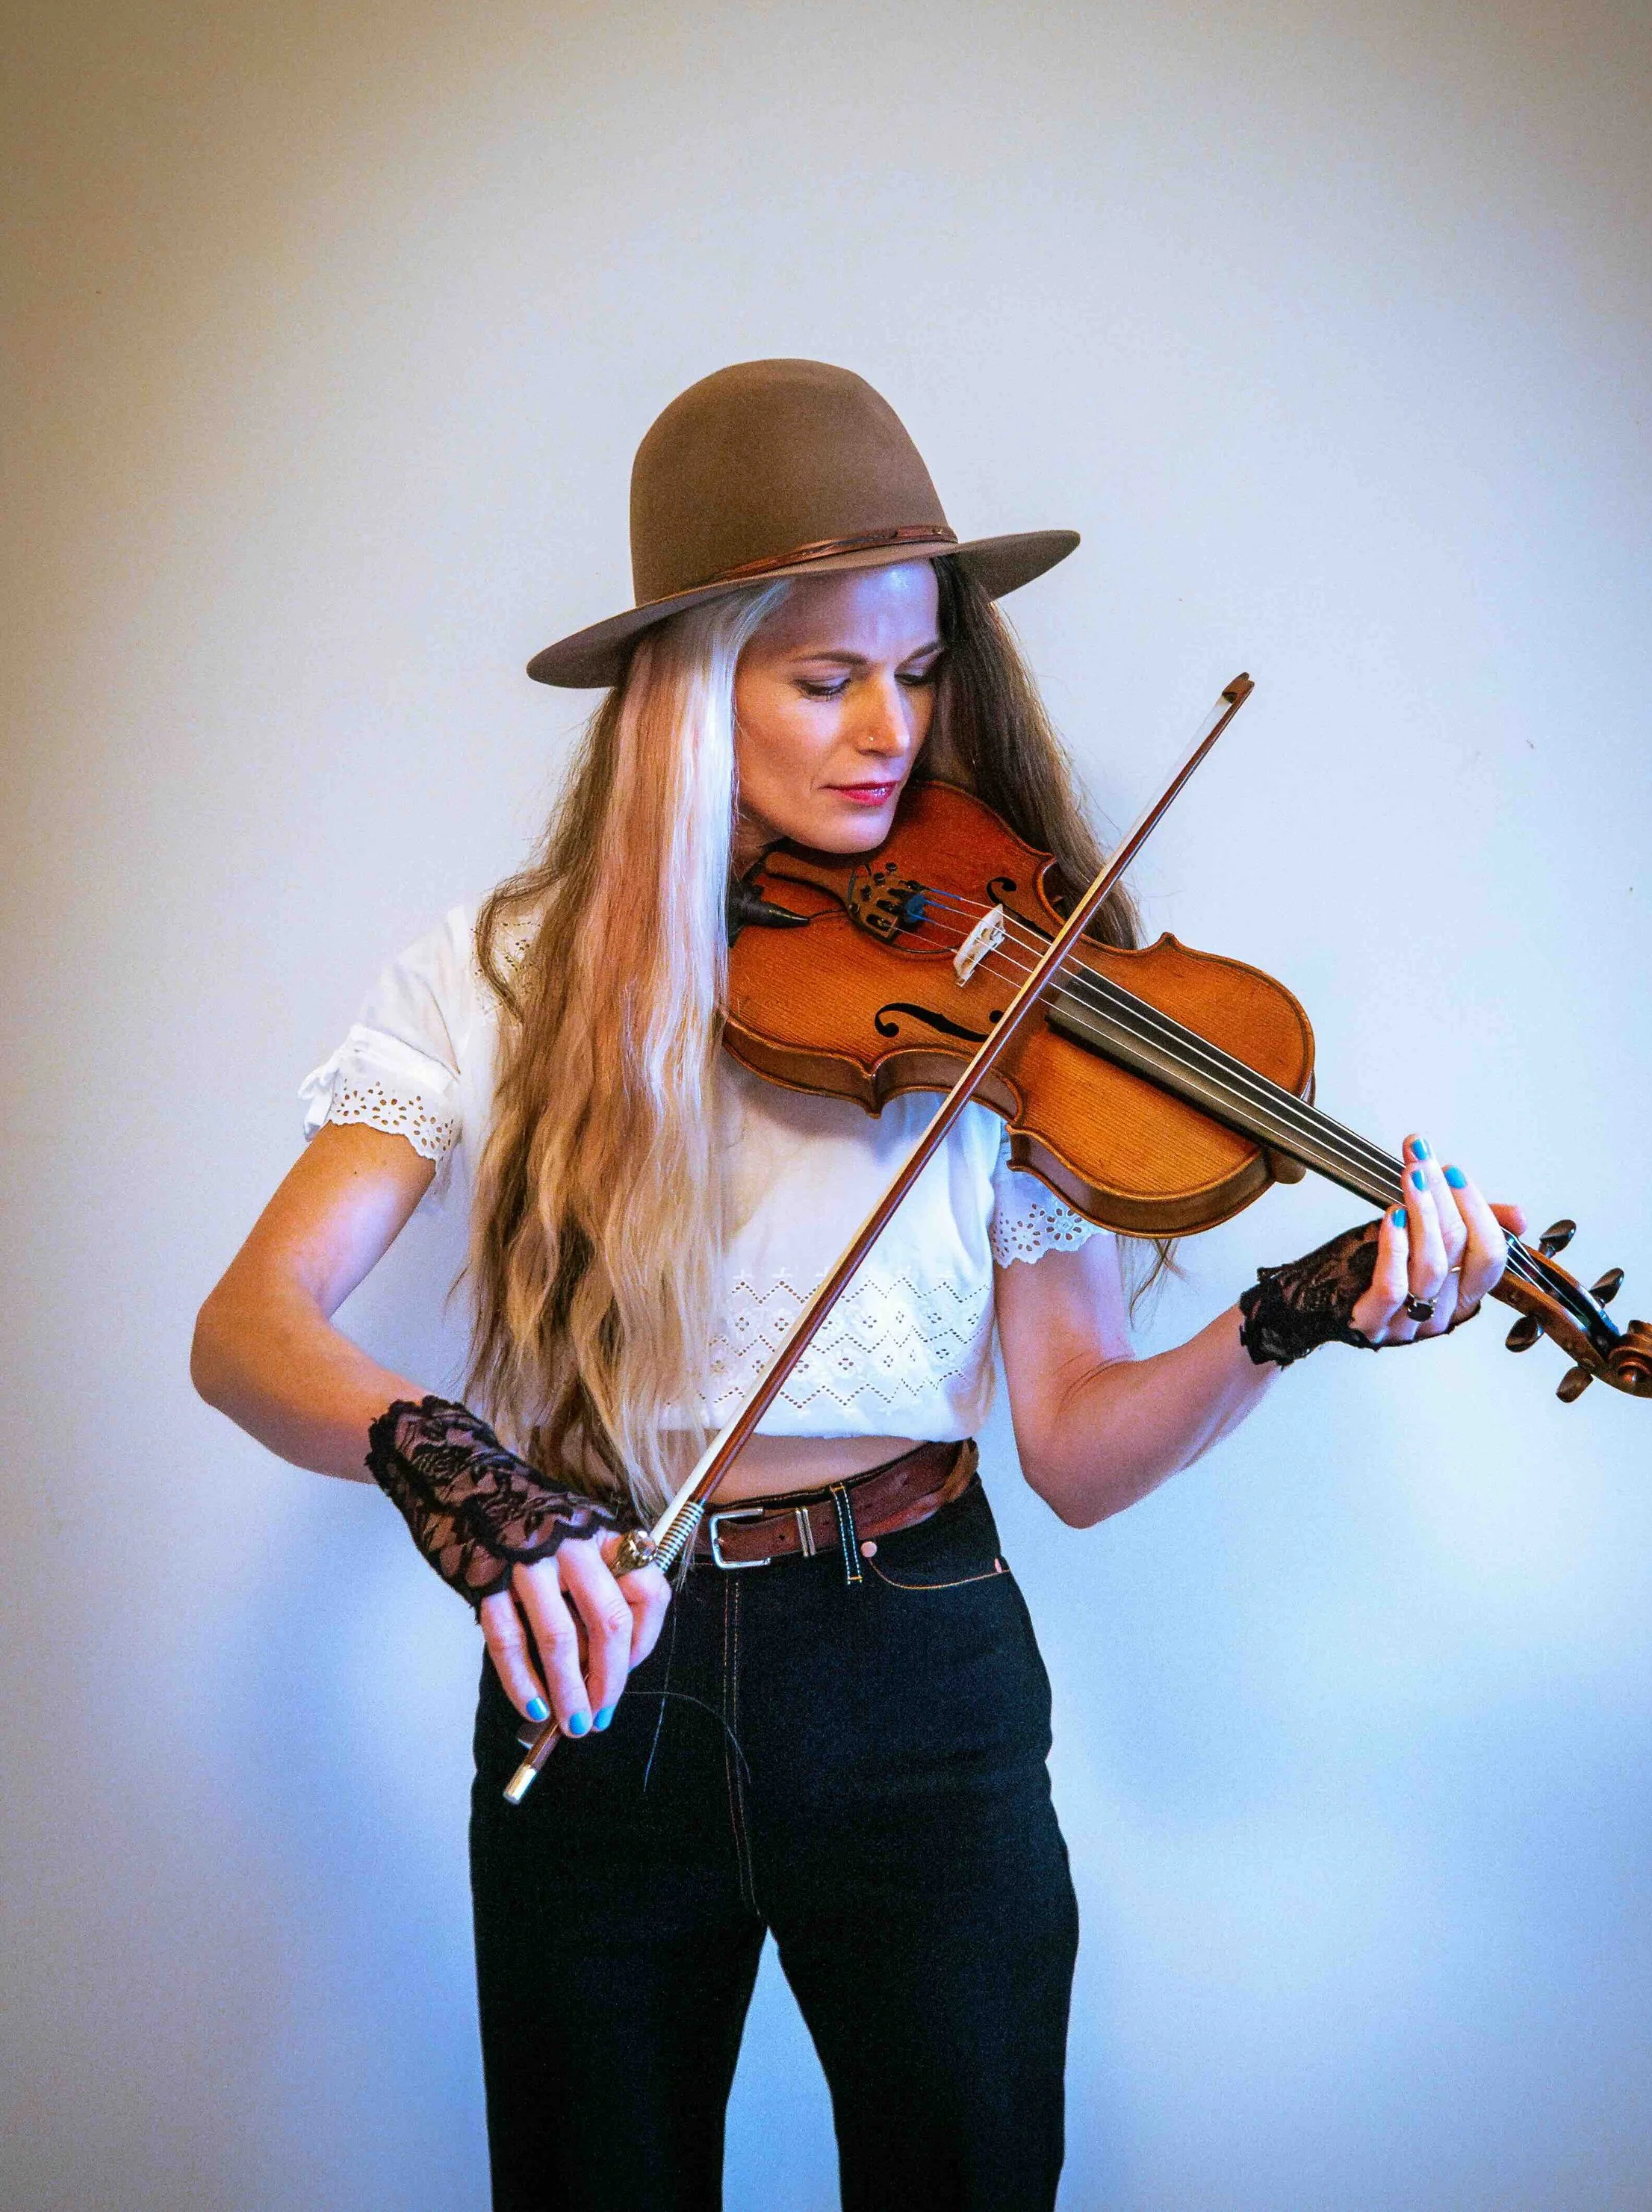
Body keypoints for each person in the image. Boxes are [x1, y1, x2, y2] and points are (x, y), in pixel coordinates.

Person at [191, 359, 1525, 2212]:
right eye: (824, 678)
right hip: (603, 1658)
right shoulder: (496, 975)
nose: (888, 728)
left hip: (918, 1663)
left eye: (916, 672)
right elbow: (246, 1326)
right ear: (688, 685)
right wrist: (450, 1473)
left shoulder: (1009, 984)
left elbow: (1071, 1441)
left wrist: (1286, 1311)